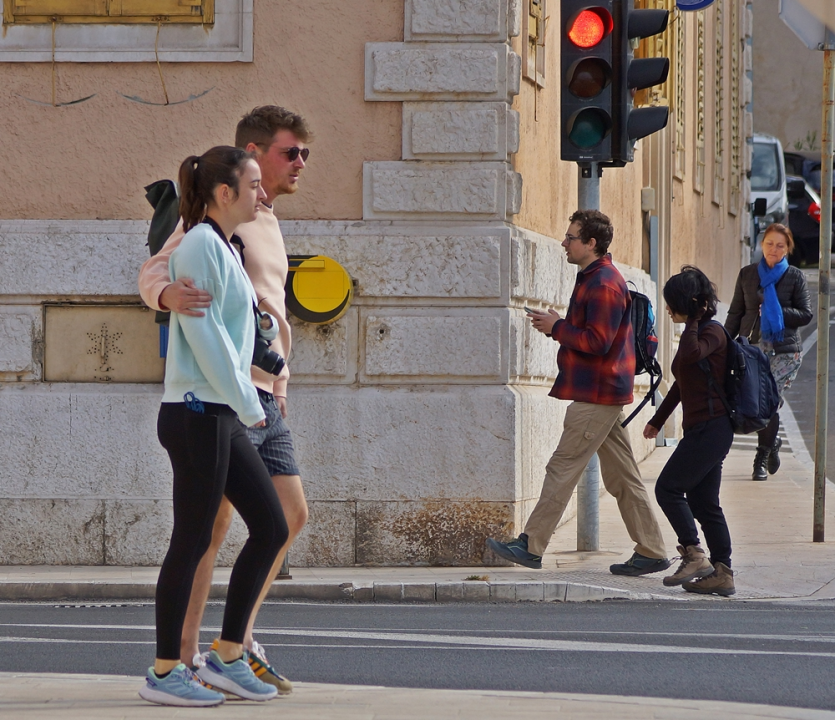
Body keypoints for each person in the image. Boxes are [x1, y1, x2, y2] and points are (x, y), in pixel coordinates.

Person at [138, 106, 310, 692]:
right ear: (247, 165)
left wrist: (274, 382)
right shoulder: (202, 239)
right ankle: (179, 661)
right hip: (214, 404)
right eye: (291, 153)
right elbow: (166, 283)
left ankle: (233, 647)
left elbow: (253, 322)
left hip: (249, 400)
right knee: (201, 533)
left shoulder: (249, 228)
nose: (299, 165)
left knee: (279, 520)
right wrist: (165, 296)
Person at [486, 210, 669, 576]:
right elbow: (592, 334)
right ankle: (651, 550)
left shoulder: (602, 283)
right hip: (604, 391)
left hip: (597, 393)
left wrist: (557, 328)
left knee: (562, 468)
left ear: (591, 243)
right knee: (623, 478)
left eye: (571, 238)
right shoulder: (596, 277)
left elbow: (598, 342)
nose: (564, 243)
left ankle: (531, 545)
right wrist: (561, 324)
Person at [644, 267, 735, 596]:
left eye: (672, 303)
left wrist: (696, 319)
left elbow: (692, 355)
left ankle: (694, 553)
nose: (668, 309)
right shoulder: (696, 332)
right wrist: (658, 420)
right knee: (704, 502)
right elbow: (682, 384)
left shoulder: (712, 333)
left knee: (668, 488)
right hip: (702, 428)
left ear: (690, 303)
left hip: (713, 428)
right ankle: (723, 573)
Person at [725, 223, 812, 481]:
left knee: (768, 404)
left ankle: (761, 457)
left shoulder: (795, 276)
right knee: (756, 404)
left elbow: (806, 314)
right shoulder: (747, 274)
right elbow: (735, 313)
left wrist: (776, 311)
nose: (774, 249)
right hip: (752, 350)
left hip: (785, 352)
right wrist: (721, 341)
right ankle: (773, 442)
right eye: (770, 243)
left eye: (780, 245)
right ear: (762, 245)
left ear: (788, 249)